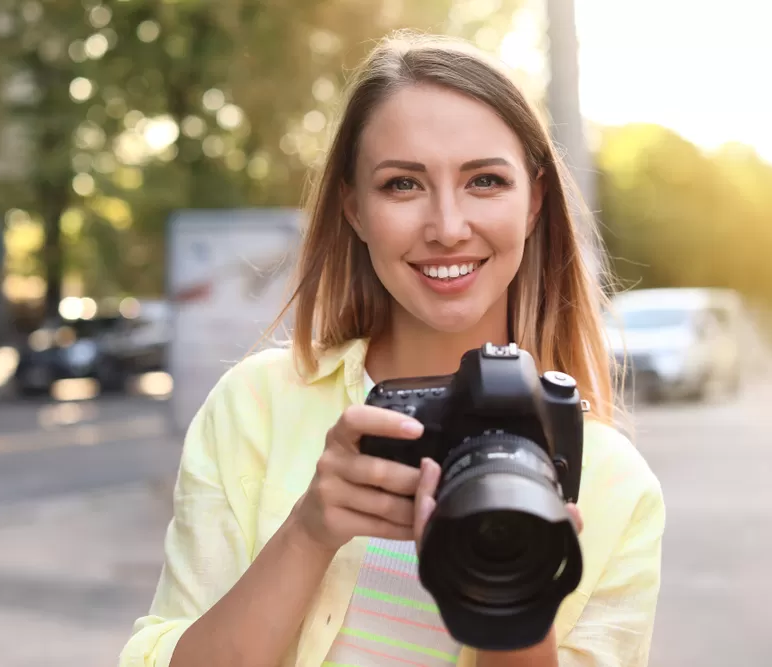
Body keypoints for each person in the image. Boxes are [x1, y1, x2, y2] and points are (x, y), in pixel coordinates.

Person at [120, 31, 665, 667]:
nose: (448, 227)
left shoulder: (614, 485)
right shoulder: (255, 408)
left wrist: (516, 596)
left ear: (534, 200)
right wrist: (308, 532)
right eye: (402, 185)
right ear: (353, 207)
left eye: (484, 181)